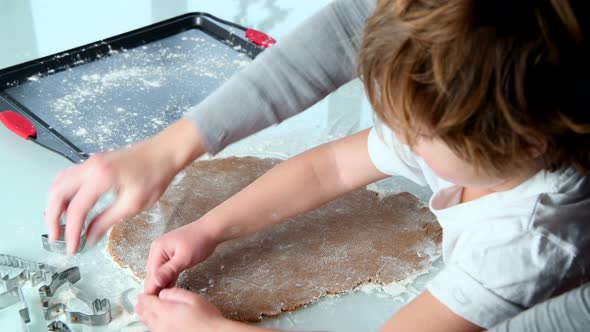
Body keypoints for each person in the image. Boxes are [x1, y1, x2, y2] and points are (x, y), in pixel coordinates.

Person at [45, 0, 590, 331]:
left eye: (419, 131)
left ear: (523, 144)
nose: (401, 134)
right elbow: (329, 168)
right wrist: (209, 229)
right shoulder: (469, 134)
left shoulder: (527, 245)